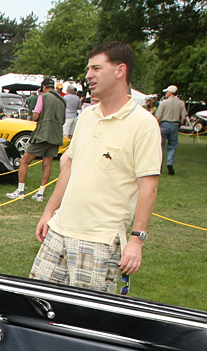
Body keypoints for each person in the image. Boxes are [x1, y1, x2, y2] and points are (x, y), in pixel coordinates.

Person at [32, 41, 160, 294]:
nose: (88, 75)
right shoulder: (87, 115)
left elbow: (149, 185)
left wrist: (137, 239)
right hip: (59, 231)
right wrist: (49, 212)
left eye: (96, 68)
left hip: (100, 241)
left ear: (120, 70)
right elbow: (68, 166)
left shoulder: (144, 123)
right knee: (35, 307)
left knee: (84, 322)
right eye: (89, 69)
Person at [7, 78, 65, 203]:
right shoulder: (62, 100)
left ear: (44, 87)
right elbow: (63, 120)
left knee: (24, 161)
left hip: (43, 133)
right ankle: (40, 194)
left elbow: (36, 116)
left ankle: (20, 191)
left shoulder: (43, 97)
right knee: (47, 163)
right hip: (56, 134)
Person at [155, 84, 186, 175]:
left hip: (164, 125)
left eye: (167, 92)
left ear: (171, 92)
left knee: (161, 146)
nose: (166, 93)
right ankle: (169, 163)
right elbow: (184, 117)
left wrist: (157, 125)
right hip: (174, 125)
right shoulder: (181, 103)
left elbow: (158, 117)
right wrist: (180, 124)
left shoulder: (163, 103)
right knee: (172, 146)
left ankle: (159, 166)